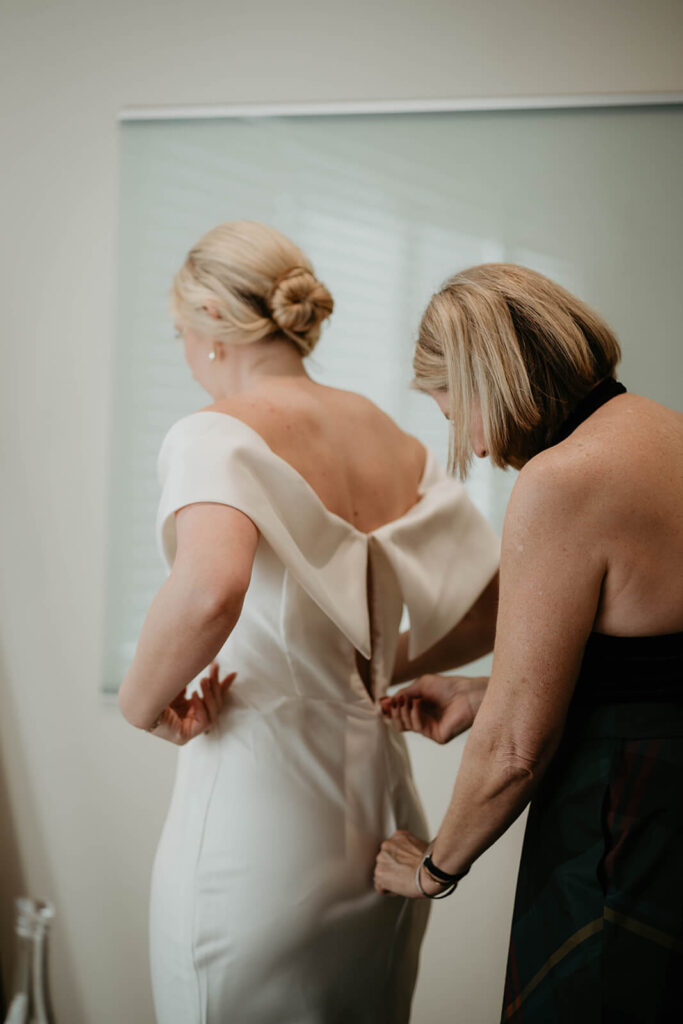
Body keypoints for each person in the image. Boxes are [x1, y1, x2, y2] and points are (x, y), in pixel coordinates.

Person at [116, 221, 501, 1024]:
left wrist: (138, 702)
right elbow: (493, 606)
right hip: (382, 818)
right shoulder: (393, 439)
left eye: (180, 332)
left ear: (212, 325)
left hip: (258, 823)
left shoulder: (212, 434)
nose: (184, 351)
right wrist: (361, 672)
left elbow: (209, 589)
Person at [374, 263, 683, 1023]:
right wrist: (484, 694)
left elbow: (516, 750)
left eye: (450, 413)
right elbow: (649, 668)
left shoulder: (562, 481)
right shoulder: (664, 432)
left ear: (484, 379)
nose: (470, 447)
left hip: (622, 837)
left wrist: (433, 867)